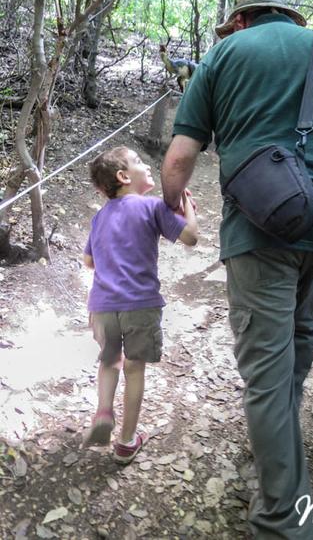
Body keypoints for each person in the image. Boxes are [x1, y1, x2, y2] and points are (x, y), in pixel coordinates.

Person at [161, 0, 313, 539]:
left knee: (265, 368)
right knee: (301, 329)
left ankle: (285, 520)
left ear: (242, 19)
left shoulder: (224, 55)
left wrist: (170, 213)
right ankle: (279, 440)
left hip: (259, 224)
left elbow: (178, 157)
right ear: (289, 16)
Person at [82, 146, 198, 464]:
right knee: (134, 369)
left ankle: (104, 410)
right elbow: (191, 237)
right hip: (140, 305)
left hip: (102, 306)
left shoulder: (99, 217)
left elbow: (89, 260)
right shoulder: (153, 207)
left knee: (109, 361)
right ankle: (126, 442)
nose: (146, 165)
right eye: (138, 161)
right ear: (123, 176)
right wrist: (188, 207)